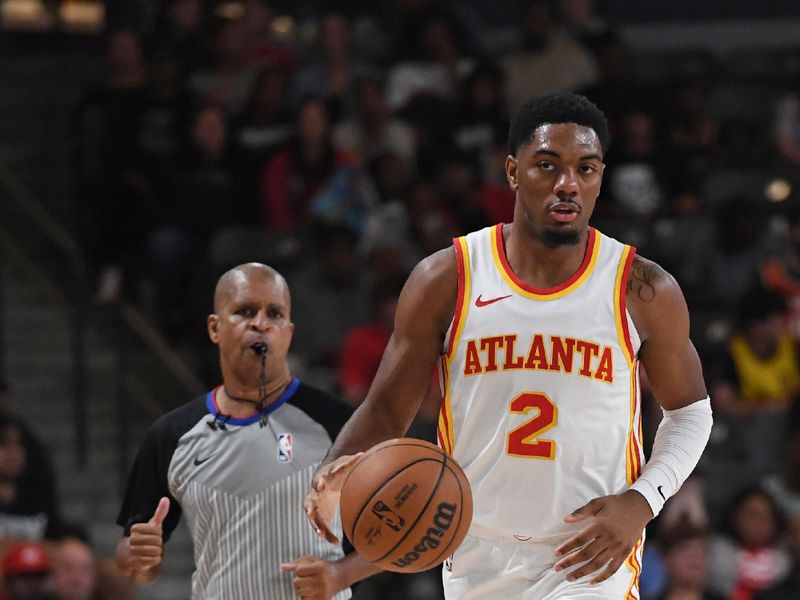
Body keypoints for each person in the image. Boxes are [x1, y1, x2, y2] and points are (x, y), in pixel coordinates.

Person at [305, 92, 713, 598]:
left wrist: (643, 500)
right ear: (513, 171)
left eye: (586, 169)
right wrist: (329, 478)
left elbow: (691, 413)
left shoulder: (642, 289)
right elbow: (388, 409)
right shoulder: (447, 277)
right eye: (548, 165)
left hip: (590, 552)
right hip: (473, 549)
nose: (568, 184)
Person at [115, 263, 378, 598]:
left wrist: (340, 574)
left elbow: (401, 532)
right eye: (245, 311)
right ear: (215, 328)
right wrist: (139, 558)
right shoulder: (171, 434)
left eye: (275, 314)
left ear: (289, 332)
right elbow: (132, 559)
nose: (260, 323)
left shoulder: (338, 423)